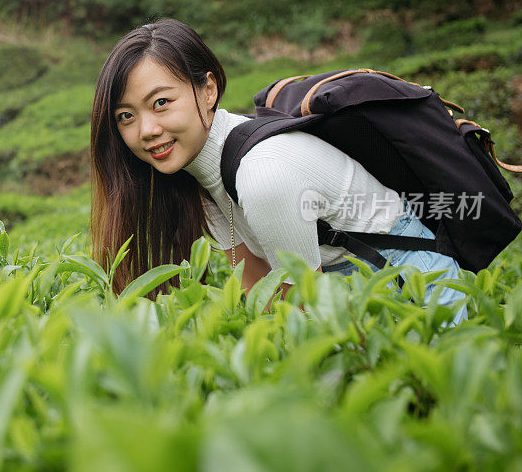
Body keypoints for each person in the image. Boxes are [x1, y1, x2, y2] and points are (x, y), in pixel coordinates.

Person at [89, 17, 468, 325]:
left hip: (413, 282)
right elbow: (255, 280)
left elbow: (303, 308)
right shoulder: (201, 174)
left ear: (208, 90)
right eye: (126, 116)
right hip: (353, 287)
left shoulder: (262, 175)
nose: (146, 130)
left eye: (161, 102)